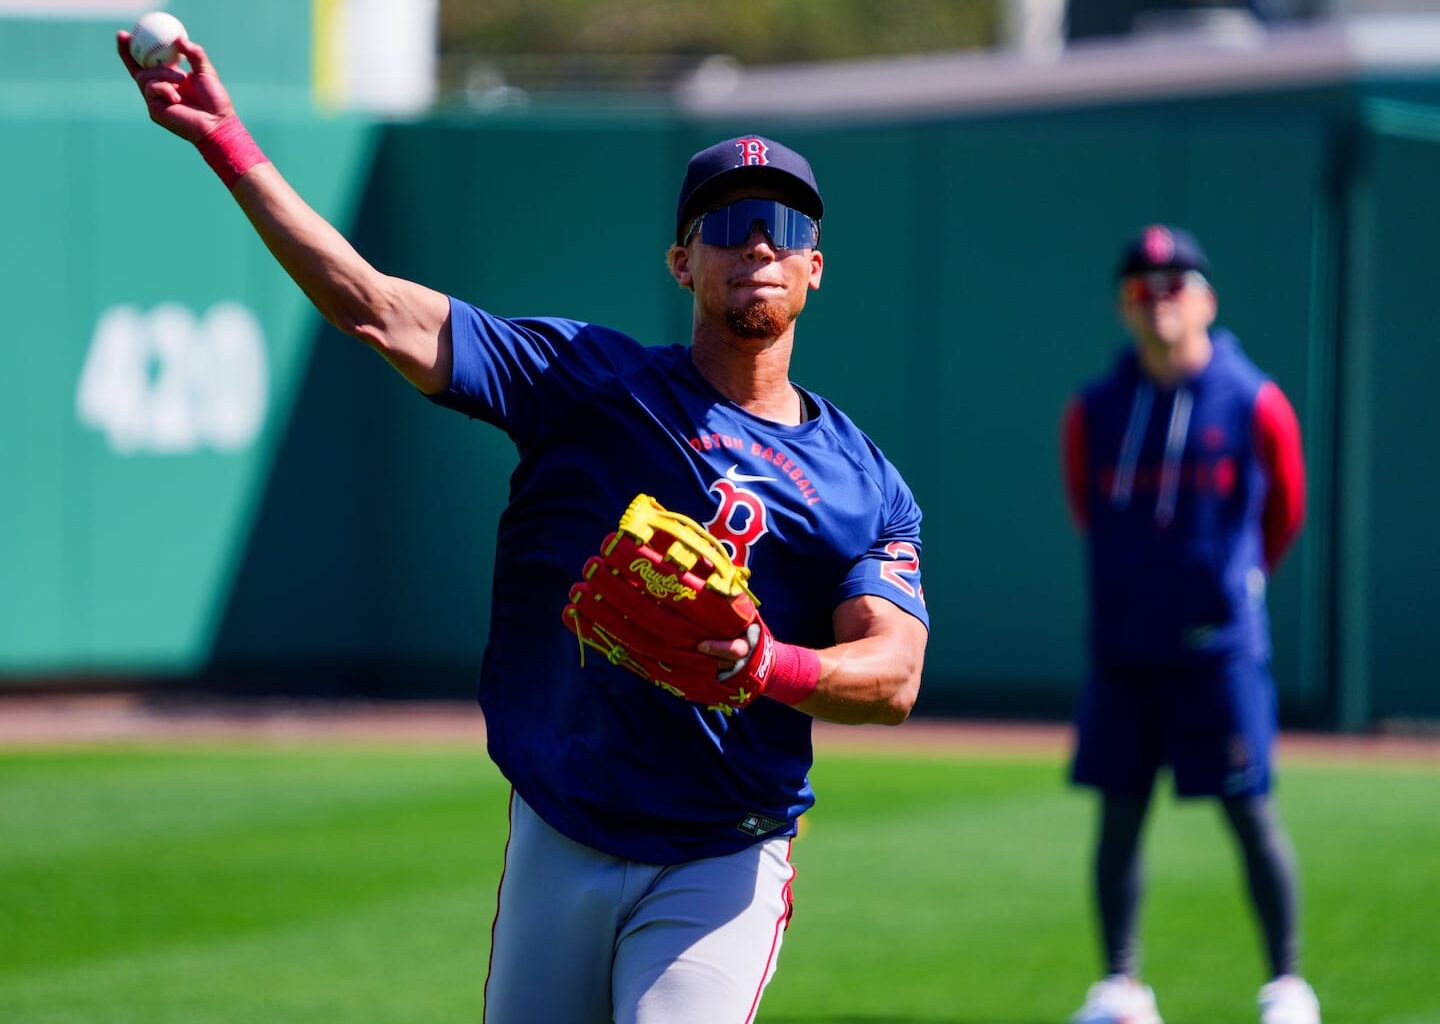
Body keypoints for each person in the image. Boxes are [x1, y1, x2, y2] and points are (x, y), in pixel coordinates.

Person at [117, 30, 930, 1024]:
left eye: (784, 227)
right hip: (562, 826)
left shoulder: (862, 483)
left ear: (814, 268)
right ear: (682, 262)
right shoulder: (585, 381)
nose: (757, 243)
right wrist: (229, 144)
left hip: (724, 851)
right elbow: (375, 308)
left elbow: (894, 675)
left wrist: (770, 664)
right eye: (728, 224)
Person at [1060, 225, 1317, 1024]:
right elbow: (1087, 506)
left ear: (1206, 300)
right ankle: (1122, 988)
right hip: (1124, 649)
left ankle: (1287, 986)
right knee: (1119, 817)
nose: (1157, 301)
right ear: (1122, 305)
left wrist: (1230, 584)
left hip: (1219, 651)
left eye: (1174, 286)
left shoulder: (1255, 401)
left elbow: (1285, 511)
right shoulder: (1096, 408)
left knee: (1251, 812)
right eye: (1140, 288)